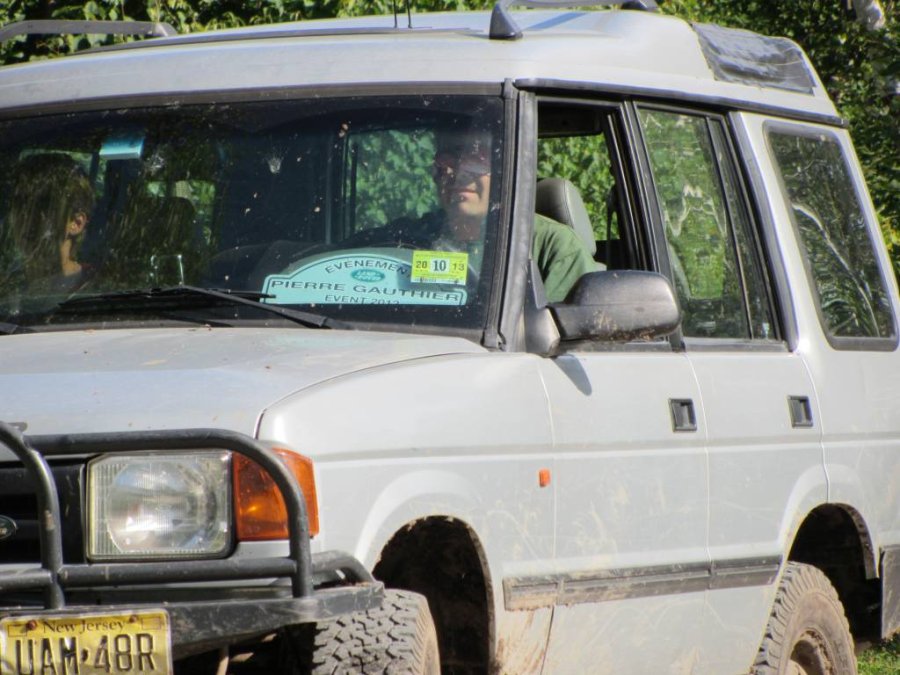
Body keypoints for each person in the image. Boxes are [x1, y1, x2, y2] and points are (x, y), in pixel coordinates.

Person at [366, 127, 597, 302]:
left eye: (475, 162)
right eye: (445, 163)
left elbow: (564, 339)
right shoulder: (409, 238)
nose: (457, 174)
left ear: (505, 170)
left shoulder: (554, 248)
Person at [1, 154, 95, 296]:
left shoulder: (99, 286)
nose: (26, 220)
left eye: (41, 208)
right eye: (20, 205)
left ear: (76, 223)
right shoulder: (8, 287)